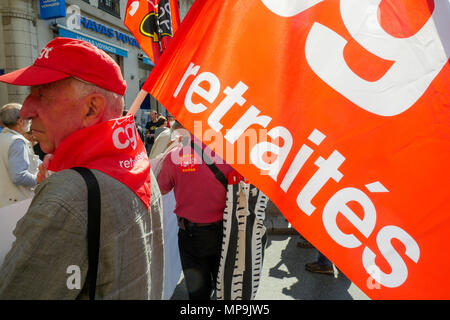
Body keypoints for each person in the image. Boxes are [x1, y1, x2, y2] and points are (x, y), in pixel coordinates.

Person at [0, 37, 164, 299]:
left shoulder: (68, 195)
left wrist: (52, 193)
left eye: (41, 94)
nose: (27, 110)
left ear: (92, 109)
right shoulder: (136, 160)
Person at [156, 132, 234, 300]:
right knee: (225, 289)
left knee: (198, 293)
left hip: (191, 234)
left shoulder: (176, 156)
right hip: (226, 231)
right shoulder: (231, 154)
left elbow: (162, 188)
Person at [0, 103, 41, 208]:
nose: (30, 121)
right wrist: (38, 179)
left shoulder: (3, 137)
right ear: (20, 121)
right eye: (28, 118)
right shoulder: (17, 141)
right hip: (18, 202)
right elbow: (18, 176)